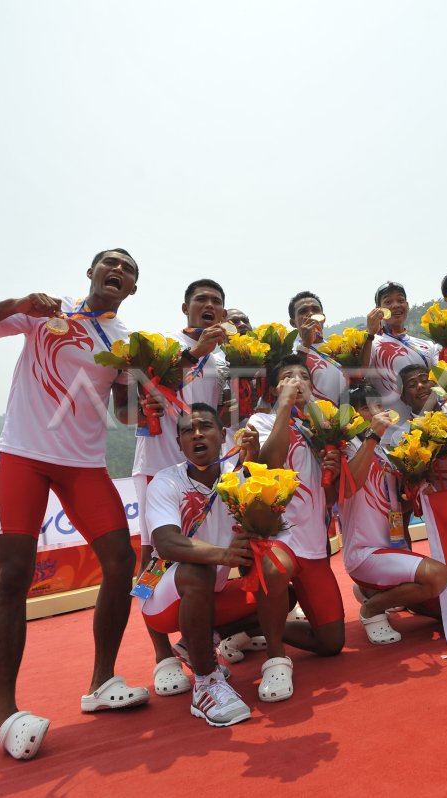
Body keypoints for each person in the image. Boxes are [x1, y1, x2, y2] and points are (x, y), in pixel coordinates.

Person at [0, 248, 148, 761]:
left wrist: (139, 382)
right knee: (15, 574)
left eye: (129, 269)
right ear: (92, 273)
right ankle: (6, 714)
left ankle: (101, 684)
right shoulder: (45, 312)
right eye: (111, 263)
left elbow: (124, 414)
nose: (118, 271)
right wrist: (16, 302)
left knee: (122, 562)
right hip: (24, 456)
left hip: (84, 465)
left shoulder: (126, 343)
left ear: (133, 290)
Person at [131, 279, 235, 698]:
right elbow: (135, 396)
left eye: (216, 302)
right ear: (185, 308)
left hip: (207, 466)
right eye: (201, 300)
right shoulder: (161, 345)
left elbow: (226, 411)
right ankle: (162, 657)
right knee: (151, 555)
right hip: (158, 459)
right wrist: (196, 351)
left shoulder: (228, 355)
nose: (208, 306)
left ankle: (198, 640)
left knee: (208, 549)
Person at [139, 404, 260, 726]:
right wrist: (223, 555)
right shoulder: (165, 483)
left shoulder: (237, 479)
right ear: (180, 443)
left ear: (222, 436)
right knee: (197, 568)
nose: (196, 435)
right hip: (164, 595)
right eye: (187, 431)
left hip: (210, 593)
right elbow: (165, 544)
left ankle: (193, 645)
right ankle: (206, 684)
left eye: (205, 426)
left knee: (278, 597)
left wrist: (256, 462)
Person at [245, 355, 345, 703]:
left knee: (331, 644)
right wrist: (284, 409)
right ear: (275, 389)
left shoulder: (322, 426)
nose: (299, 382)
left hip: (315, 545)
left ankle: (253, 625)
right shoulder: (260, 420)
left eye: (304, 377)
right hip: (280, 536)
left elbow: (330, 494)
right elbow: (267, 465)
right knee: (274, 570)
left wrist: (333, 466)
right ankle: (275, 657)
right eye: (289, 377)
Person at [339, 384, 447, 643]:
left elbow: (397, 506)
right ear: (356, 413)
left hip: (393, 550)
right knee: (438, 576)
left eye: (380, 405)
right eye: (371, 406)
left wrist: (416, 484)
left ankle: (369, 591)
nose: (380, 411)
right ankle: (371, 608)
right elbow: (347, 487)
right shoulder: (348, 448)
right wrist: (373, 436)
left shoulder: (385, 454)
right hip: (365, 553)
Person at [362, 281, 441, 417]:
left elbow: (444, 378)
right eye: (388, 302)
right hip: (394, 431)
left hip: (433, 426)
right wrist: (369, 335)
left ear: (407, 305)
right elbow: (359, 374)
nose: (395, 305)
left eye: (400, 300)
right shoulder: (372, 344)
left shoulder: (428, 345)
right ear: (378, 309)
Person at [288, 290, 346, 405]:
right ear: (293, 323)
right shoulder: (290, 354)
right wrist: (305, 345)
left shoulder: (340, 348)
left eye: (315, 310)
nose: (310, 314)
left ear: (323, 317)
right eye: (303, 311)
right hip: (312, 420)